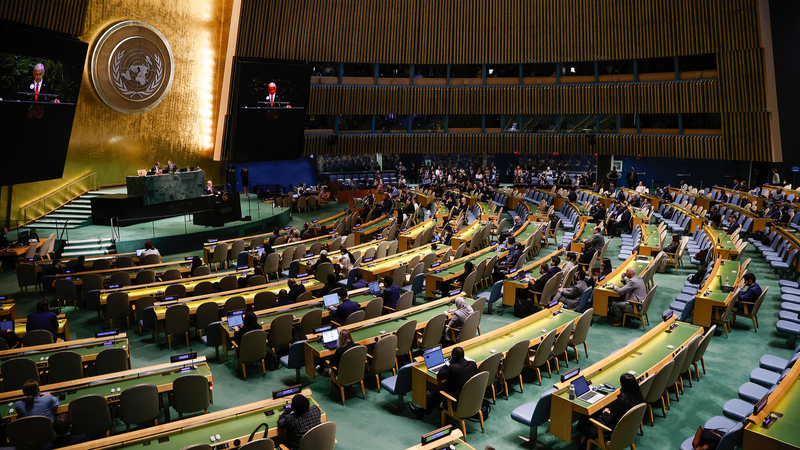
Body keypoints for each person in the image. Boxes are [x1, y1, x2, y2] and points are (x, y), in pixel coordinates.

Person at [407, 347, 478, 420]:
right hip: (471, 399)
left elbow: (440, 375)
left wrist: (447, 364)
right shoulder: (473, 364)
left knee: (437, 396)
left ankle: (420, 413)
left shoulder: (453, 368)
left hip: (457, 403)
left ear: (453, 357)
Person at [577, 374, 645, 444]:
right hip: (627, 429)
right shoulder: (638, 398)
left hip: (612, 431)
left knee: (587, 416)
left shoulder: (622, 402)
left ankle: (583, 443)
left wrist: (605, 413)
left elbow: (609, 420)